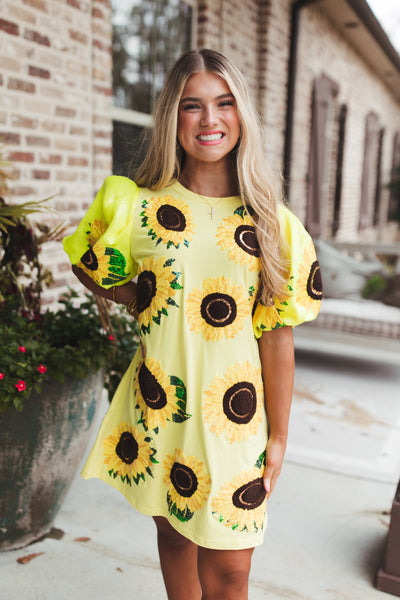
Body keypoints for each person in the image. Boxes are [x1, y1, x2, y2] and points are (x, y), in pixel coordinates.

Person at [63, 49, 322, 600]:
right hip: (161, 406)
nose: (209, 120)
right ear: (171, 118)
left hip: (236, 419)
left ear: (241, 114)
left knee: (231, 572)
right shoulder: (139, 207)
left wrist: (278, 435)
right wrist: (143, 300)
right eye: (192, 106)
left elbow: (277, 336)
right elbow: (86, 260)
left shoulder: (272, 223)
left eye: (224, 103)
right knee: (175, 539)